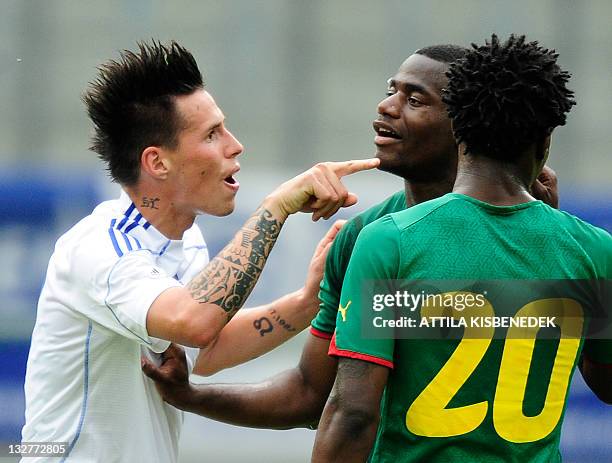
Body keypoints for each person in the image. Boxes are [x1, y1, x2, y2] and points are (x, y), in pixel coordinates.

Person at [142, 42, 558, 431]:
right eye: (391, 90)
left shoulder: (552, 238)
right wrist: (190, 396)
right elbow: (311, 395)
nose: (387, 106)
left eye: (414, 100)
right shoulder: (361, 237)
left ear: (466, 123)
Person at [20, 40, 378, 463]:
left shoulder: (183, 239)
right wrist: (276, 207)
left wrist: (307, 301)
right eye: (212, 134)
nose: (235, 144)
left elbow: (209, 349)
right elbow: (195, 323)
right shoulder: (100, 249)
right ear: (157, 163)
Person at [312, 34, 612, 462]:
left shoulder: (389, 239)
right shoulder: (594, 249)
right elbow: (606, 383)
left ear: (460, 130)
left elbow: (354, 413)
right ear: (544, 141)